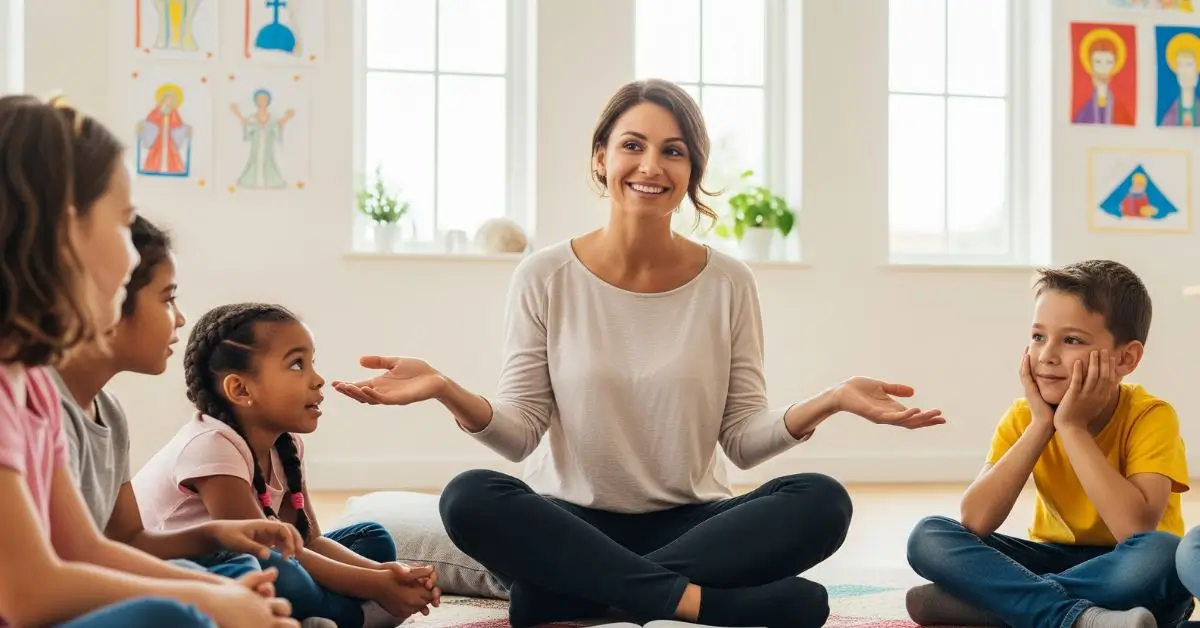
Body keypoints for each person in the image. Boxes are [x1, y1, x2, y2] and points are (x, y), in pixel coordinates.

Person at [332, 78, 946, 628]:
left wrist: (831, 401)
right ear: (601, 157)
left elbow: (740, 439)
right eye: (633, 145)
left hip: (695, 520)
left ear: (691, 171)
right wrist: (443, 387)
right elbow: (521, 435)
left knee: (822, 500)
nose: (650, 165)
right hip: (570, 519)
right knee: (469, 495)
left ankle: (579, 595)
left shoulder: (728, 282)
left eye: (673, 150)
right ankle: (700, 604)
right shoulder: (544, 274)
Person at [0, 94, 297, 627]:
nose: (134, 254)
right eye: (123, 223)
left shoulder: (33, 386)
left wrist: (219, 593)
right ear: (66, 231)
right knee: (171, 618)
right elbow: (29, 594)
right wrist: (209, 601)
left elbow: (87, 548)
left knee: (205, 601)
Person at [50, 216, 328, 605]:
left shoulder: (110, 412)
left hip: (100, 579)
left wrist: (213, 538)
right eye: (167, 299)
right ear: (108, 299)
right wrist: (211, 594)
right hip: (65, 597)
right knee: (253, 579)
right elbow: (62, 568)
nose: (180, 317)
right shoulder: (42, 411)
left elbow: (128, 540)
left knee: (247, 573)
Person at [905, 260, 1193, 628]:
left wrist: (1071, 427)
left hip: (1128, 567)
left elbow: (1134, 531)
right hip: (1053, 557)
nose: (1046, 355)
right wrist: (1042, 424)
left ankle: (997, 607)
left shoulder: (1151, 416)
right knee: (928, 536)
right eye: (1038, 336)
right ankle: (1077, 618)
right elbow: (975, 520)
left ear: (1126, 358)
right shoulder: (1025, 416)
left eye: (1071, 340)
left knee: (1163, 554)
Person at [132, 302, 441, 627]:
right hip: (190, 568)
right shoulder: (211, 446)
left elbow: (307, 540)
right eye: (297, 365)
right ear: (240, 389)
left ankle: (317, 614)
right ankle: (357, 616)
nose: (318, 380)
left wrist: (382, 573)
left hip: (263, 558)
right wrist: (374, 586)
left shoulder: (287, 446)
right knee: (283, 575)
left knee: (373, 539)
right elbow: (262, 548)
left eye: (312, 363)